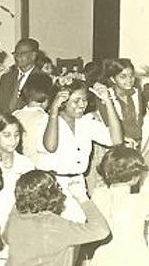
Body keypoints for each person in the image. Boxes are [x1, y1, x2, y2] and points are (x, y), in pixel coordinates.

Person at [40, 80, 123, 221]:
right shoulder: (47, 121)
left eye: (84, 100)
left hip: (78, 183)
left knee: (80, 229)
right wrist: (53, 110)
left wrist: (108, 102)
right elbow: (51, 147)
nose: (82, 104)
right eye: (76, 100)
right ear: (62, 102)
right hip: (54, 185)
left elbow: (116, 140)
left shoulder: (86, 122)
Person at [0, 114, 35, 225]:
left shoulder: (26, 164)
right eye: (7, 135)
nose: (13, 140)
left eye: (16, 135)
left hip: (17, 222)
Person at [0, 38, 44, 114]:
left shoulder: (42, 79)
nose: (17, 57)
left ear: (33, 55)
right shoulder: (6, 78)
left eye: (22, 53)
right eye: (16, 53)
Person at [12, 72, 53, 165]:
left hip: (17, 165)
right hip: (36, 168)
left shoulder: (15, 114)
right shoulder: (45, 119)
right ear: (47, 96)